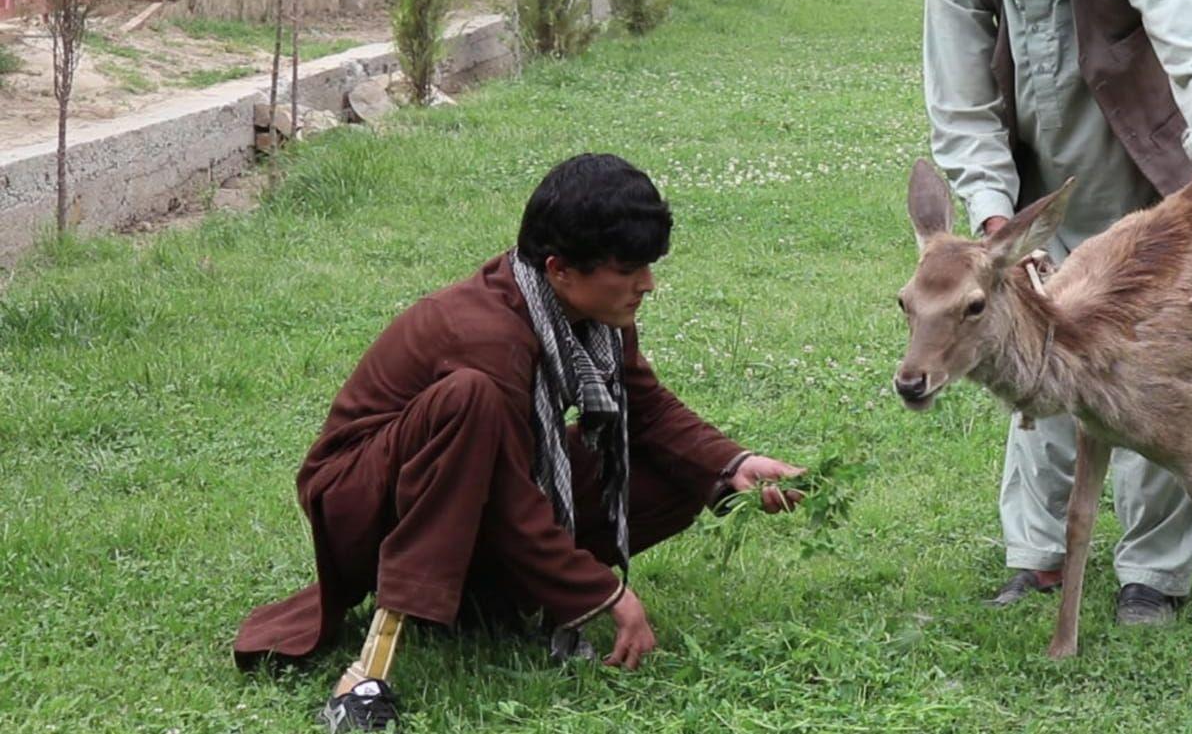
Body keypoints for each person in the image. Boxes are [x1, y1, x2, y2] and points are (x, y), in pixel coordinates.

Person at [234, 153, 806, 732]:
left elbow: (645, 407)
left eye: (649, 266)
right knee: (470, 398)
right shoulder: (487, 335)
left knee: (680, 468)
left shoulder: (593, 308)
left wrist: (734, 462)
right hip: (362, 503)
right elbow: (507, 493)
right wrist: (600, 592)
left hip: (469, 479)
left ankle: (479, 598)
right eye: (630, 268)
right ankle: (370, 671)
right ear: (558, 269)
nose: (647, 285)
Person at [915, 0, 1192, 623]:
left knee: (1157, 380)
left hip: (1156, 197)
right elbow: (962, 113)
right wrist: (995, 235)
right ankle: (1037, 557)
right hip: (1039, 212)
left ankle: (1152, 575)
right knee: (1031, 363)